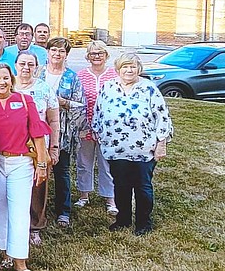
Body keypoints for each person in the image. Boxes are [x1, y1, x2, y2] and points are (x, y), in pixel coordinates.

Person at [0, 64, 49, 271]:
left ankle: (21, 261)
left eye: (6, 78)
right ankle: (6, 254)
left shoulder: (25, 100)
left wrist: (41, 164)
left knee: (20, 212)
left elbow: (37, 132)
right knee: (0, 210)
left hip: (21, 162)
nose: (2, 82)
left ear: (12, 79)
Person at [92, 52, 173, 235]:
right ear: (118, 69)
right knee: (121, 185)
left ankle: (144, 222)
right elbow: (98, 111)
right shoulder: (108, 87)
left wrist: (162, 143)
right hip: (115, 147)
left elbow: (162, 116)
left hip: (143, 148)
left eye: (132, 67)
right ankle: (123, 219)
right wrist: (98, 132)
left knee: (142, 186)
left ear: (139, 69)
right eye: (125, 67)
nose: (129, 70)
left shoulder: (149, 89)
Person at [14, 51, 60, 250]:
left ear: (37, 67)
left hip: (38, 146)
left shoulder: (44, 88)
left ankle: (35, 226)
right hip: (12, 145)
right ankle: (14, 224)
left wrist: (54, 147)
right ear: (15, 65)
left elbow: (54, 120)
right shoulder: (7, 84)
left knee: (38, 185)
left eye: (30, 64)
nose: (26, 68)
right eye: (22, 63)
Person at [43, 37, 85, 229]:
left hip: (63, 133)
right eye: (54, 50)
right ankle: (37, 211)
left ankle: (63, 211)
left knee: (62, 172)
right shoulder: (38, 73)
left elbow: (81, 105)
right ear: (48, 52)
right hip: (37, 132)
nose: (57, 54)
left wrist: (63, 102)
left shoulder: (72, 77)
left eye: (61, 51)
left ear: (66, 55)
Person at [76, 40, 119, 216]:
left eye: (100, 53)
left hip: (107, 127)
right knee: (84, 162)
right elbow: (77, 101)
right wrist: (80, 126)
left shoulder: (114, 75)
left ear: (106, 55)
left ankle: (110, 198)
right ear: (88, 56)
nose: (97, 57)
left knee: (107, 163)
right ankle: (84, 195)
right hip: (85, 125)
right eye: (93, 53)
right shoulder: (80, 75)